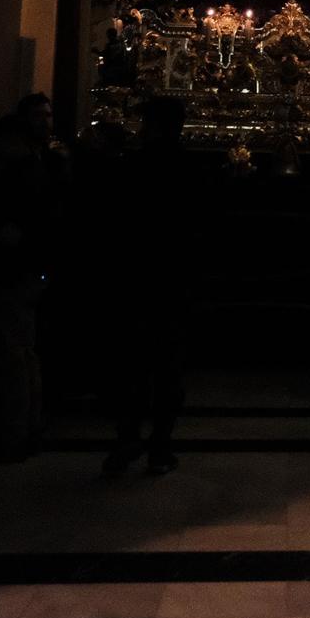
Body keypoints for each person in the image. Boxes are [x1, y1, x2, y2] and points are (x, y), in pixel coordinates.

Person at [99, 97, 189, 476]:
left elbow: (114, 220)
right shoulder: (187, 166)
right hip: (172, 280)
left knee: (133, 365)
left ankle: (127, 436)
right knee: (168, 368)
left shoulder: (131, 164)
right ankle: (160, 446)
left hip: (135, 279)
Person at [0, 92, 69, 460]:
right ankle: (26, 427)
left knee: (15, 353)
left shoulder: (33, 165)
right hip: (25, 267)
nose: (45, 123)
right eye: (39, 116)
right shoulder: (33, 163)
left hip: (21, 268)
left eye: (48, 116)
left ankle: (16, 433)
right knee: (21, 351)